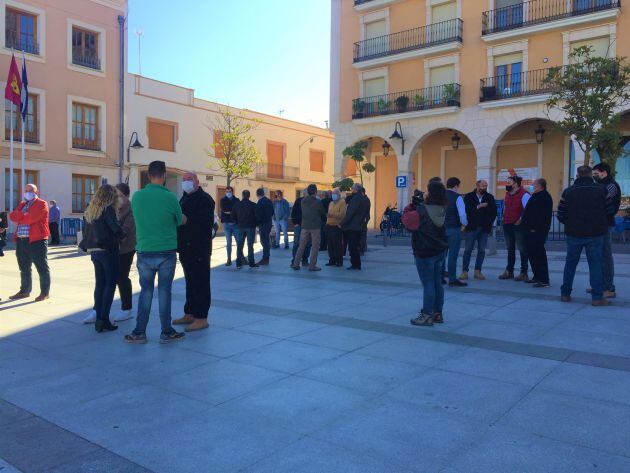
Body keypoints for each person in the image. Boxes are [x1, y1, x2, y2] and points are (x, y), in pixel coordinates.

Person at [125, 161, 187, 344]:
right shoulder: (170, 197)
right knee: (164, 292)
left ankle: (139, 332)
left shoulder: (137, 197)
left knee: (146, 292)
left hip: (144, 250)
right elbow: (179, 220)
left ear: (149, 175)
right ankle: (166, 332)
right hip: (166, 251)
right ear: (164, 175)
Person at [558, 165, 615, 306]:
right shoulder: (601, 190)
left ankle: (565, 294)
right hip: (596, 234)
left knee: (570, 264)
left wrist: (570, 224)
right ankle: (597, 297)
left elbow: (560, 214)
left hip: (573, 234)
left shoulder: (568, 192)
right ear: (591, 175)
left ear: (577, 175)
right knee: (595, 264)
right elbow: (610, 211)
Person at [174, 172, 215, 332]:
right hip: (185, 248)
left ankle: (201, 317)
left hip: (199, 248)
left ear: (197, 182)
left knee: (201, 283)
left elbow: (205, 224)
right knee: (190, 282)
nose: (186, 182)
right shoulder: (184, 198)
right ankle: (190, 313)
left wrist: (187, 220)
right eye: (183, 180)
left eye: (189, 179)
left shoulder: (205, 200)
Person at [404, 181, 448, 327]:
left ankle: (427, 315)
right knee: (437, 283)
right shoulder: (442, 209)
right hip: (440, 251)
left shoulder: (422, 211)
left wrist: (410, 207)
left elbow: (407, 222)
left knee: (428, 284)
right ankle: (437, 313)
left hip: (424, 251)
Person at [80, 185, 124, 333]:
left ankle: (99, 316)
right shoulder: (108, 209)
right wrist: (122, 235)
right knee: (110, 285)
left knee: (100, 284)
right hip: (108, 250)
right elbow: (115, 228)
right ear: (111, 196)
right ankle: (103, 319)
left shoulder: (91, 209)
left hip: (94, 251)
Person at [9, 184, 51, 302]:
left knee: (42, 267)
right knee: (24, 267)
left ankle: (44, 292)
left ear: (37, 191)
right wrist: (23, 215)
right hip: (22, 240)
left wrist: (21, 216)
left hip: (37, 240)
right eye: (26, 190)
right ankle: (25, 291)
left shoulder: (42, 204)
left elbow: (31, 218)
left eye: (31, 190)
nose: (28, 192)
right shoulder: (22, 204)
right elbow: (12, 216)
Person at [593, 163, 621, 298]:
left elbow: (599, 202)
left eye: (596, 173)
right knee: (598, 256)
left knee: (605, 256)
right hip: (598, 224)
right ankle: (599, 285)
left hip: (605, 224)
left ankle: (609, 287)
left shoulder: (611, 186)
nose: (594, 175)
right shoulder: (601, 186)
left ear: (604, 172)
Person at [461, 180, 497, 280]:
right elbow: (467, 210)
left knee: (481, 250)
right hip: (472, 228)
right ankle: (464, 271)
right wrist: (479, 206)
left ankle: (478, 271)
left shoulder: (489, 197)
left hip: (484, 228)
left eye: (486, 186)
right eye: (482, 186)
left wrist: (488, 223)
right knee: (468, 249)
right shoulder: (469, 196)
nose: (484, 188)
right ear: (477, 186)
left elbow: (493, 212)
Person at [521, 178, 553, 288]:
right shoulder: (535, 196)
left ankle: (544, 279)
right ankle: (537, 276)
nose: (532, 186)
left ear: (540, 186)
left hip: (537, 231)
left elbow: (542, 216)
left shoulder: (545, 197)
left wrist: (535, 228)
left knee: (539, 255)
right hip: (529, 231)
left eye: (534, 184)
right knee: (532, 254)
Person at [499, 175, 530, 281]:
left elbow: (528, 210)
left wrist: (520, 220)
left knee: (522, 249)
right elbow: (505, 207)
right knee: (510, 249)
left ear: (516, 183)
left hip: (518, 225)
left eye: (509, 182)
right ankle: (509, 271)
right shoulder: (507, 194)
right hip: (507, 223)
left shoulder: (524, 194)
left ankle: (523, 272)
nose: (506, 184)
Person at [115, 183, 137, 322]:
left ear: (127, 196)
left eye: (120, 195)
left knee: (122, 277)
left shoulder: (131, 208)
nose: (117, 198)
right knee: (112, 278)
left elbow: (126, 229)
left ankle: (126, 308)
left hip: (126, 248)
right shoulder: (112, 207)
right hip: (112, 248)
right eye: (115, 195)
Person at [292, 184, 325, 271]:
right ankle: (312, 265)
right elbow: (322, 213)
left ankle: (296, 263)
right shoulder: (318, 202)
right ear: (315, 192)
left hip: (304, 226)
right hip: (315, 227)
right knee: (315, 246)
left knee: (301, 246)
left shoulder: (303, 201)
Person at [444, 177, 468, 287]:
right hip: (454, 229)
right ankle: (452, 279)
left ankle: (440, 277)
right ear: (456, 186)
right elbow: (462, 214)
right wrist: (464, 224)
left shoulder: (440, 196)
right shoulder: (458, 197)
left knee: (442, 254)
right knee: (453, 255)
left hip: (441, 229)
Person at [341, 183, 370, 270]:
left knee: (352, 246)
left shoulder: (356, 199)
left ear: (356, 189)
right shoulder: (365, 199)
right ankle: (356, 264)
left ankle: (355, 264)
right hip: (360, 225)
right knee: (356, 246)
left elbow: (351, 212)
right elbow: (366, 213)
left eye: (352, 188)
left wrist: (342, 223)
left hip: (353, 226)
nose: (351, 190)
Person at [232, 189, 259, 269]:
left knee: (239, 246)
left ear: (242, 196)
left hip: (240, 227)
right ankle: (251, 263)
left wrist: (237, 223)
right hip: (250, 227)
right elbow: (257, 216)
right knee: (250, 246)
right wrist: (255, 224)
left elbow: (232, 216)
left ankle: (238, 263)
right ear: (249, 196)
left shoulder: (237, 205)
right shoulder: (253, 205)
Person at [325, 188, 347, 267]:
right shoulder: (330, 203)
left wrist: (332, 215)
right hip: (329, 225)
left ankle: (339, 261)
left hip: (337, 226)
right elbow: (329, 213)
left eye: (335, 194)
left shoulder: (342, 202)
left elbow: (342, 214)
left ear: (338, 195)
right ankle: (332, 260)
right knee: (330, 245)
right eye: (332, 194)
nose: (333, 195)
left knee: (337, 245)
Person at [220, 186, 239, 266]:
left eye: (230, 191)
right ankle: (229, 259)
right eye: (227, 191)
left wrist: (230, 211)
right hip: (226, 223)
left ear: (232, 192)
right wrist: (232, 211)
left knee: (239, 242)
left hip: (235, 224)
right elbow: (224, 209)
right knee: (228, 243)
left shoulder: (237, 200)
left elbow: (238, 210)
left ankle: (239, 259)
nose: (228, 193)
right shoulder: (222, 200)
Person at [255, 188, 274, 265]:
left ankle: (265, 259)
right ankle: (266, 257)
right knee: (266, 240)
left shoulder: (260, 202)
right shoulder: (269, 201)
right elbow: (272, 211)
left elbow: (258, 215)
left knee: (264, 241)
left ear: (257, 195)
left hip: (263, 224)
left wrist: (257, 223)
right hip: (268, 223)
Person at [291, 191, 310, 267]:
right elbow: (293, 212)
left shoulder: (311, 202)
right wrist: (295, 223)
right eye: (307, 193)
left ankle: (305, 260)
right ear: (304, 194)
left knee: (307, 244)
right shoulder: (298, 201)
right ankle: (294, 261)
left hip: (307, 226)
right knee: (296, 243)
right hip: (298, 226)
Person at [360, 187, 371, 255]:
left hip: (363, 219)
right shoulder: (365, 199)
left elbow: (365, 210)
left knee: (362, 235)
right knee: (362, 235)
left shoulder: (365, 199)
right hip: (363, 218)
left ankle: (362, 249)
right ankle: (362, 248)